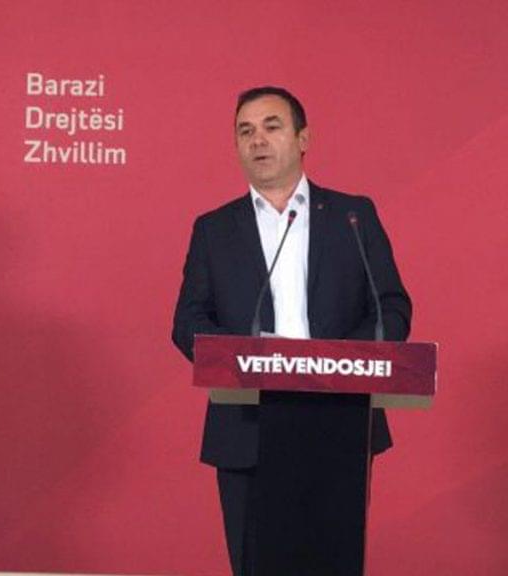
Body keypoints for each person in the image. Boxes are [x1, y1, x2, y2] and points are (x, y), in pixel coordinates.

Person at [171, 86, 412, 576]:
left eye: (271, 126)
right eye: (245, 131)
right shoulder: (214, 229)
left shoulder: (352, 215)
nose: (257, 140)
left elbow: (391, 307)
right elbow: (187, 321)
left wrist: (336, 363)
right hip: (247, 427)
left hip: (339, 421)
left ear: (304, 139)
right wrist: (241, 360)